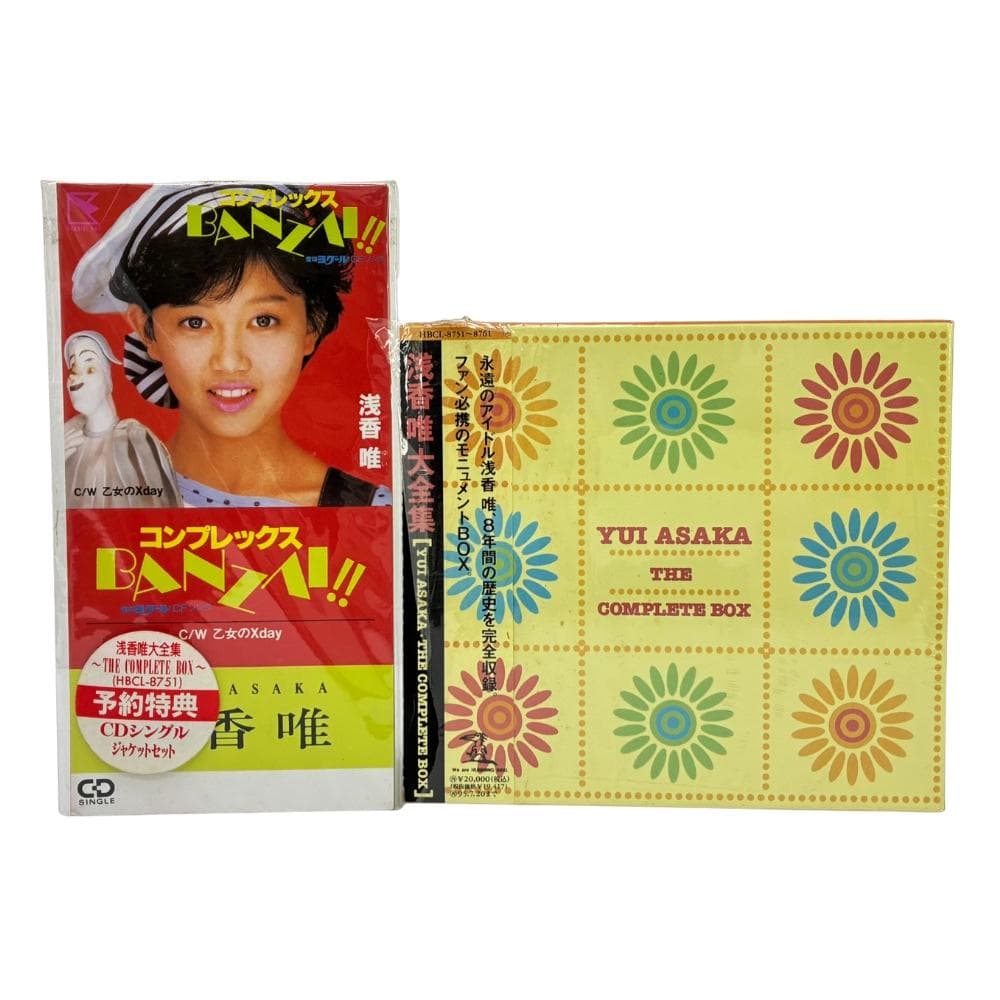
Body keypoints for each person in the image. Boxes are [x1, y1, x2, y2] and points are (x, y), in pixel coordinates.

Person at [72, 184, 391, 508]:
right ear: (146, 331)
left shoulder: (371, 511)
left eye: (263, 320)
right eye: (195, 322)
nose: (229, 361)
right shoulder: (103, 495)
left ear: (312, 325)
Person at [63, 330, 181, 508]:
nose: (75, 378)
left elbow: (162, 508)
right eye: (73, 368)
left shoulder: (134, 439)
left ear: (108, 380)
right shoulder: (67, 436)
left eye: (90, 369)